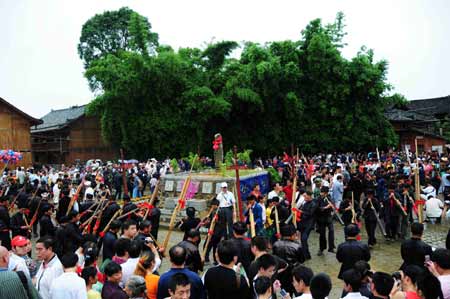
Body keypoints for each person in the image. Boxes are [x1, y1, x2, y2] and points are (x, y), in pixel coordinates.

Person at [273, 224, 305, 295]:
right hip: (295, 275)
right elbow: (302, 260)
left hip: (282, 275)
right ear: (293, 235)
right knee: (298, 294)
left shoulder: (275, 245)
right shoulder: (297, 246)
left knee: (284, 294)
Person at [315, 186, 335, 255]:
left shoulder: (329, 198)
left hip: (328, 218)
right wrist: (326, 207)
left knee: (331, 231)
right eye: (322, 192)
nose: (322, 194)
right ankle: (321, 248)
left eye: (324, 193)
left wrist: (332, 207)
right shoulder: (318, 199)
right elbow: (317, 209)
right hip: (321, 219)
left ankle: (331, 247)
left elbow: (333, 208)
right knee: (322, 234)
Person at [298, 191, 317, 260]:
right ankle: (305, 254)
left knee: (304, 239)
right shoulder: (305, 203)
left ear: (309, 196)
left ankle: (306, 255)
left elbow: (310, 213)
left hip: (309, 224)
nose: (304, 197)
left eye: (305, 196)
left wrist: (301, 212)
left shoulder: (313, 204)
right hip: (303, 223)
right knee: (303, 240)